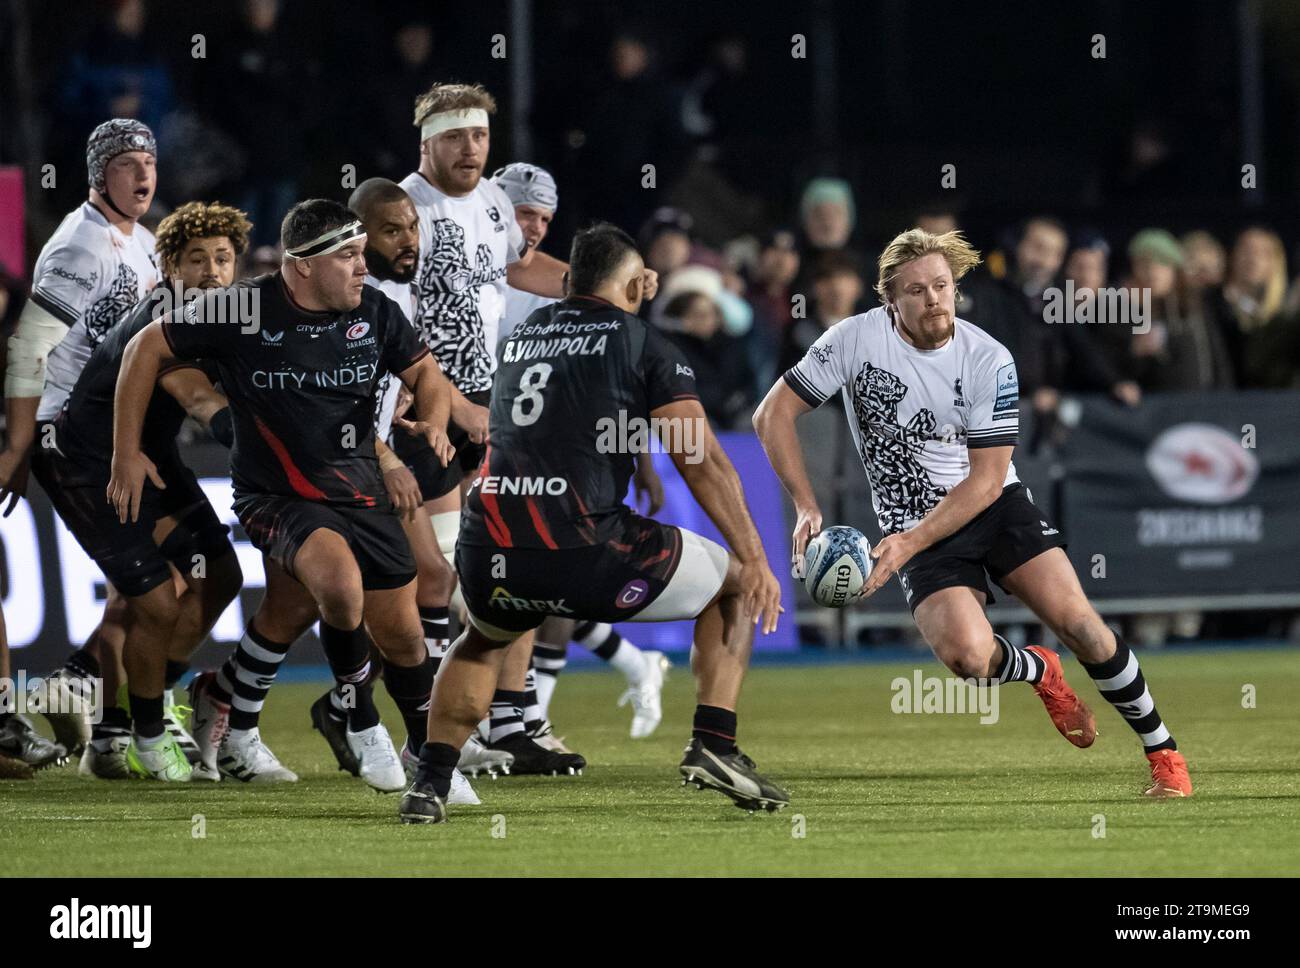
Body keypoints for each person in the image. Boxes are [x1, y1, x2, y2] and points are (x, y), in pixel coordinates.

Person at [753, 227, 1192, 799]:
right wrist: (806, 507)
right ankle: (1040, 671)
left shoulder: (988, 357)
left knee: (1083, 626)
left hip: (991, 506)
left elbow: (986, 480)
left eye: (942, 285)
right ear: (890, 299)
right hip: (915, 523)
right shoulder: (852, 341)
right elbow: (771, 416)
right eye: (916, 290)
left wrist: (907, 544)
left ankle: (1163, 752)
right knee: (968, 659)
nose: (933, 298)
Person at [397, 223, 787, 824]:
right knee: (735, 586)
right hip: (586, 546)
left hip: (493, 541)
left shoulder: (522, 336)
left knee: (482, 639)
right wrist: (757, 557)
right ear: (634, 284)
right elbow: (701, 457)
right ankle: (715, 743)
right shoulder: (639, 341)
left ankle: (428, 783)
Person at [109, 199, 456, 792]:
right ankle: (362, 721)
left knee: (395, 633)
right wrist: (124, 453)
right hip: (277, 495)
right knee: (339, 591)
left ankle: (428, 758)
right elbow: (145, 349)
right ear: (302, 266)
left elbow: (426, 374)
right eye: (348, 255)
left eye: (361, 254)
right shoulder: (242, 310)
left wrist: (438, 420)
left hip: (359, 485)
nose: (362, 267)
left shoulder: (375, 311)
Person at [399, 82, 585, 776]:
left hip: (482, 408)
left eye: (480, 135)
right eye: (456, 136)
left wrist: (600, 286)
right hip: (418, 410)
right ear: (428, 143)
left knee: (505, 563)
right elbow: (387, 315)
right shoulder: (404, 208)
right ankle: (421, 727)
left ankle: (502, 722)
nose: (471, 148)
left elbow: (521, 264)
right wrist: (438, 401)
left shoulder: (492, 205)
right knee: (441, 576)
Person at [36, 201, 251, 780]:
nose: (211, 271)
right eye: (196, 260)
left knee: (220, 575)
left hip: (148, 456)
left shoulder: (229, 313)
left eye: (223, 259)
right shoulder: (166, 319)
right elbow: (200, 400)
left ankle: (122, 718)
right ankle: (149, 734)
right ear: (169, 269)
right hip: (86, 462)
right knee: (153, 602)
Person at [491, 162, 670, 741]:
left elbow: (617, 373)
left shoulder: (558, 287)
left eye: (545, 217)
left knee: (531, 580)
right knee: (518, 587)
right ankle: (626, 667)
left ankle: (521, 719)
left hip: (543, 451)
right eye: (525, 213)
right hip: (490, 440)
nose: (535, 228)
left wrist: (639, 456)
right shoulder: (479, 273)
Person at [1, 118, 162, 758]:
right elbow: (29, 348)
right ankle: (128, 720)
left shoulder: (143, 243)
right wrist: (18, 448)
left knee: (149, 582)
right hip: (71, 433)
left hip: (110, 429)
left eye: (149, 161)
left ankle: (85, 690)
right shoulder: (79, 247)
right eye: (127, 164)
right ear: (99, 175)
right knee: (157, 585)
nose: (144, 174)